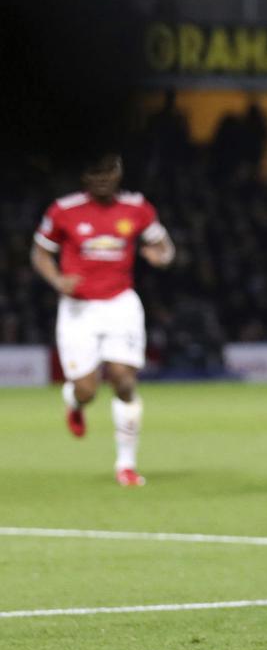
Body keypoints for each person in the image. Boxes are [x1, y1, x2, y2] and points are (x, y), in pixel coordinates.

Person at [31, 152, 176, 487]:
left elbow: (164, 245)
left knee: (124, 380)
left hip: (120, 303)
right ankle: (75, 402)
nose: (103, 178)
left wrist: (161, 256)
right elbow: (40, 252)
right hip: (78, 308)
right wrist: (56, 280)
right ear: (84, 177)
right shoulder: (63, 210)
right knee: (87, 389)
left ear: (119, 172)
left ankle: (126, 464)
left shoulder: (138, 208)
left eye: (108, 171)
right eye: (95, 172)